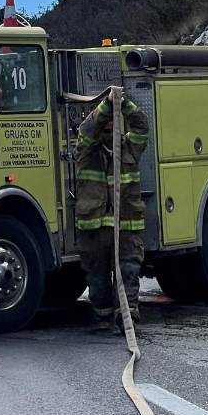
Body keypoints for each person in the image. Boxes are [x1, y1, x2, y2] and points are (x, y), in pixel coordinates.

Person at [75, 91, 150, 332]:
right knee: (97, 282)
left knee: (129, 271)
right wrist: (107, 104)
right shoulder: (86, 151)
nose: (109, 133)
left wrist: (124, 103)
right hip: (95, 231)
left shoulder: (129, 148)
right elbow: (87, 129)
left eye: (112, 128)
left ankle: (127, 318)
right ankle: (103, 318)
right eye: (104, 128)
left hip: (126, 227)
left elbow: (141, 125)